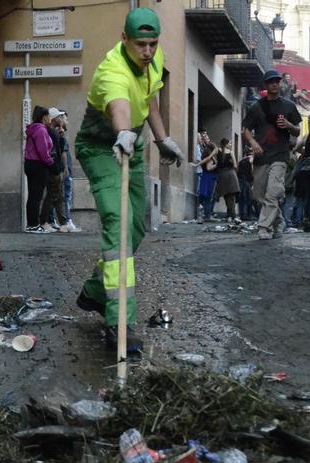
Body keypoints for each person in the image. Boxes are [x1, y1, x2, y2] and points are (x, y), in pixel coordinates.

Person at [74, 7, 185, 349]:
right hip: (100, 148)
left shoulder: (152, 57)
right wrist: (123, 132)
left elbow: (149, 99)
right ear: (124, 39)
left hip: (132, 145)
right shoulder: (112, 72)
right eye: (141, 45)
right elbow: (120, 105)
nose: (148, 52)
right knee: (120, 224)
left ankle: (95, 292)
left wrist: (162, 138)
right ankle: (119, 322)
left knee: (137, 226)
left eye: (153, 44)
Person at [242, 69, 302, 240]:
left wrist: (289, 125)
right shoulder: (257, 107)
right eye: (271, 81)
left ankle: (263, 228)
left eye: (277, 81)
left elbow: (297, 132)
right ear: (266, 85)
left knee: (272, 192)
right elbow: (245, 129)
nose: (275, 83)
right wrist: (253, 143)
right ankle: (279, 221)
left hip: (280, 156)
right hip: (261, 157)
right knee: (258, 194)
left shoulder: (289, 106)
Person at [24, 106, 54, 233]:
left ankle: (31, 224)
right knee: (36, 196)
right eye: (48, 117)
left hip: (30, 163)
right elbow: (42, 150)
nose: (50, 120)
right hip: (38, 165)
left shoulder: (33, 129)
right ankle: (34, 225)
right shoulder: (41, 130)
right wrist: (50, 161)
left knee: (32, 196)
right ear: (44, 117)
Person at [40, 107, 68, 232]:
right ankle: (44, 221)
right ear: (53, 119)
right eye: (58, 117)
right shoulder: (50, 132)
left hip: (56, 168)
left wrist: (61, 135)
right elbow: (54, 153)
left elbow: (59, 149)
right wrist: (57, 169)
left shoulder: (54, 132)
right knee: (52, 196)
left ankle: (63, 223)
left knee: (58, 197)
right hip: (54, 169)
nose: (60, 119)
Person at [55, 109, 82, 233]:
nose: (67, 121)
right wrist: (65, 169)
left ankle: (59, 221)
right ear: (59, 119)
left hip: (64, 170)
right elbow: (63, 154)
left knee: (62, 197)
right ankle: (67, 221)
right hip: (64, 171)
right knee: (66, 197)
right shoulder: (60, 135)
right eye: (65, 118)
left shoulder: (59, 134)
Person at [214, 138, 240, 223]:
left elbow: (211, 157)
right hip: (230, 174)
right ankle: (233, 216)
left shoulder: (217, 150)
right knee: (232, 196)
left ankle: (229, 216)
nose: (231, 145)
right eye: (230, 143)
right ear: (226, 144)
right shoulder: (231, 152)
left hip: (222, 175)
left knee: (226, 196)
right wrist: (231, 162)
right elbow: (235, 165)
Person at [196, 136, 218, 223]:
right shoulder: (210, 157)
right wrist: (216, 164)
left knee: (206, 196)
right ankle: (207, 215)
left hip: (206, 176)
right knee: (209, 197)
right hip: (209, 177)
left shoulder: (205, 155)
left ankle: (205, 215)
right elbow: (209, 168)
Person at [236, 147, 254, 220]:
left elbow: (237, 170)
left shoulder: (241, 160)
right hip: (247, 180)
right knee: (247, 198)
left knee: (242, 199)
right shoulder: (251, 159)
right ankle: (247, 215)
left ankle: (242, 214)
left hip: (241, 179)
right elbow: (252, 171)